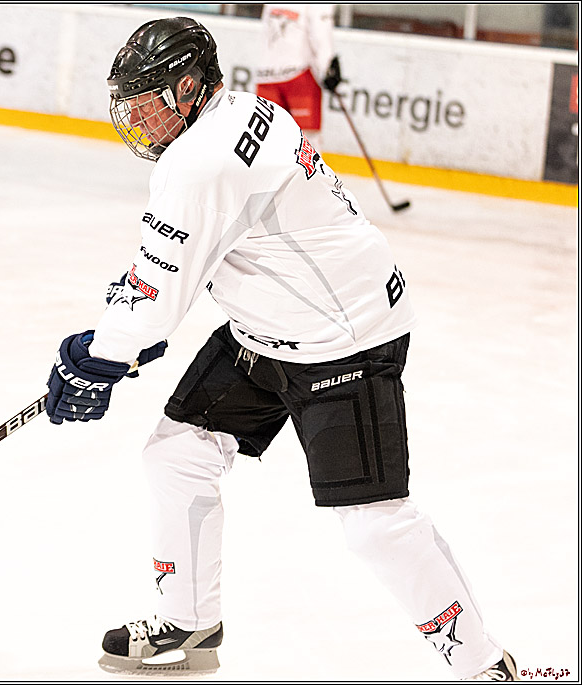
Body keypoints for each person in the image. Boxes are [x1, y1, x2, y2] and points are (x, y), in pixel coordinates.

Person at [44, 16, 519, 681]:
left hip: (343, 340)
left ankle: (487, 666)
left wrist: (92, 358)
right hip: (267, 332)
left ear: (188, 90)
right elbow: (185, 270)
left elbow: (156, 301)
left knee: (374, 525)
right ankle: (189, 621)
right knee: (177, 452)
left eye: (148, 104)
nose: (137, 121)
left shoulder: (199, 162)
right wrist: (116, 345)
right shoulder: (243, 110)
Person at [254, 4, 342, 151]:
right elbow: (320, 31)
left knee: (267, 139)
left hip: (266, 75)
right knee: (308, 140)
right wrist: (327, 66)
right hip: (300, 76)